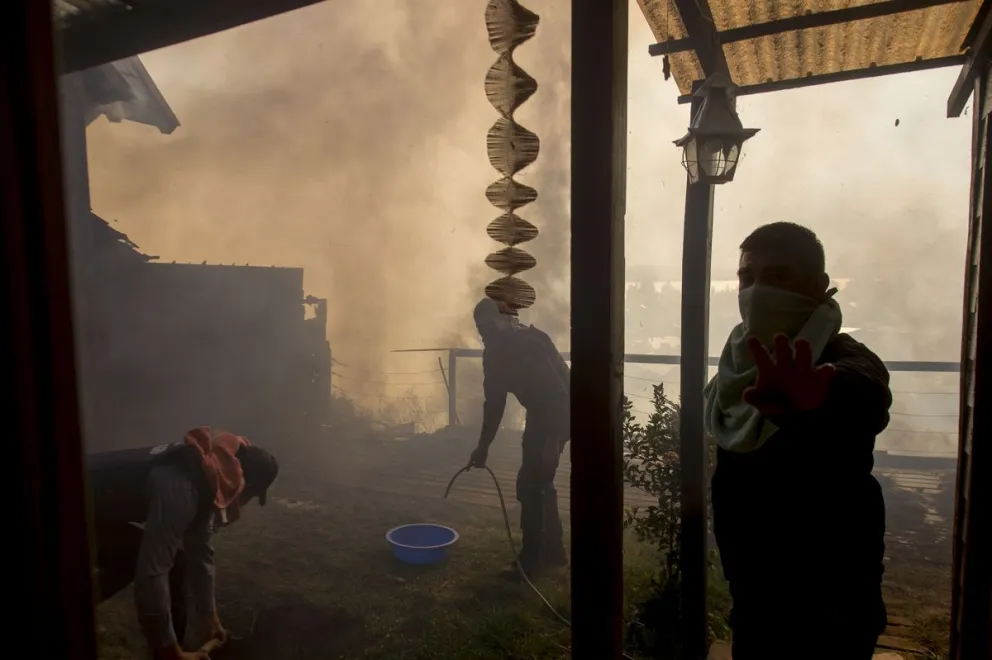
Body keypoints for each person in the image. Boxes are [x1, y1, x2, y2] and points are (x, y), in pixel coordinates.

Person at [704, 222, 891, 660]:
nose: (755, 290)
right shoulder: (739, 363)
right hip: (751, 583)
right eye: (746, 278)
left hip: (832, 597)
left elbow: (864, 391)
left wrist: (816, 396)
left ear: (818, 286)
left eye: (777, 277)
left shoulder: (842, 357)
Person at [87, 427, 279, 660]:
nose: (243, 504)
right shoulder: (181, 488)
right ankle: (168, 652)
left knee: (158, 561)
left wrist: (210, 617)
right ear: (238, 482)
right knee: (162, 566)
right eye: (247, 496)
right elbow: (153, 573)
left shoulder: (208, 470)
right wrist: (170, 651)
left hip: (95, 507)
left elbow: (201, 552)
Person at [468, 297, 570, 577]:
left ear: (505, 320)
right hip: (540, 412)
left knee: (530, 482)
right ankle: (553, 553)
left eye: (489, 326)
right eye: (480, 329)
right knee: (539, 480)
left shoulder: (529, 346)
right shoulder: (493, 355)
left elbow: (558, 396)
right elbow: (494, 404)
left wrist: (553, 442)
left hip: (564, 410)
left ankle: (531, 559)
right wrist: (483, 447)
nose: (485, 333)